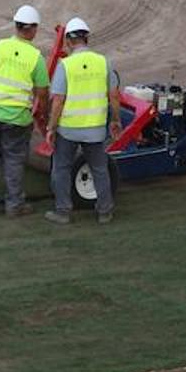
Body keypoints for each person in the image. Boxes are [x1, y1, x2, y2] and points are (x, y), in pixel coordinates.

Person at [0, 5, 49, 217]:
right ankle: (14, 205)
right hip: (16, 119)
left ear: (15, 26)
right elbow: (42, 92)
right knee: (13, 160)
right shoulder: (36, 58)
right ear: (33, 29)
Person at [44, 17, 122, 226]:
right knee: (99, 169)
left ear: (68, 41)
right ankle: (104, 211)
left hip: (68, 129)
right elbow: (114, 95)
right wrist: (115, 120)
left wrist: (51, 127)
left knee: (61, 168)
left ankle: (63, 212)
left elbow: (58, 100)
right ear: (86, 38)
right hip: (95, 129)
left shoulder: (66, 66)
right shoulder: (103, 62)